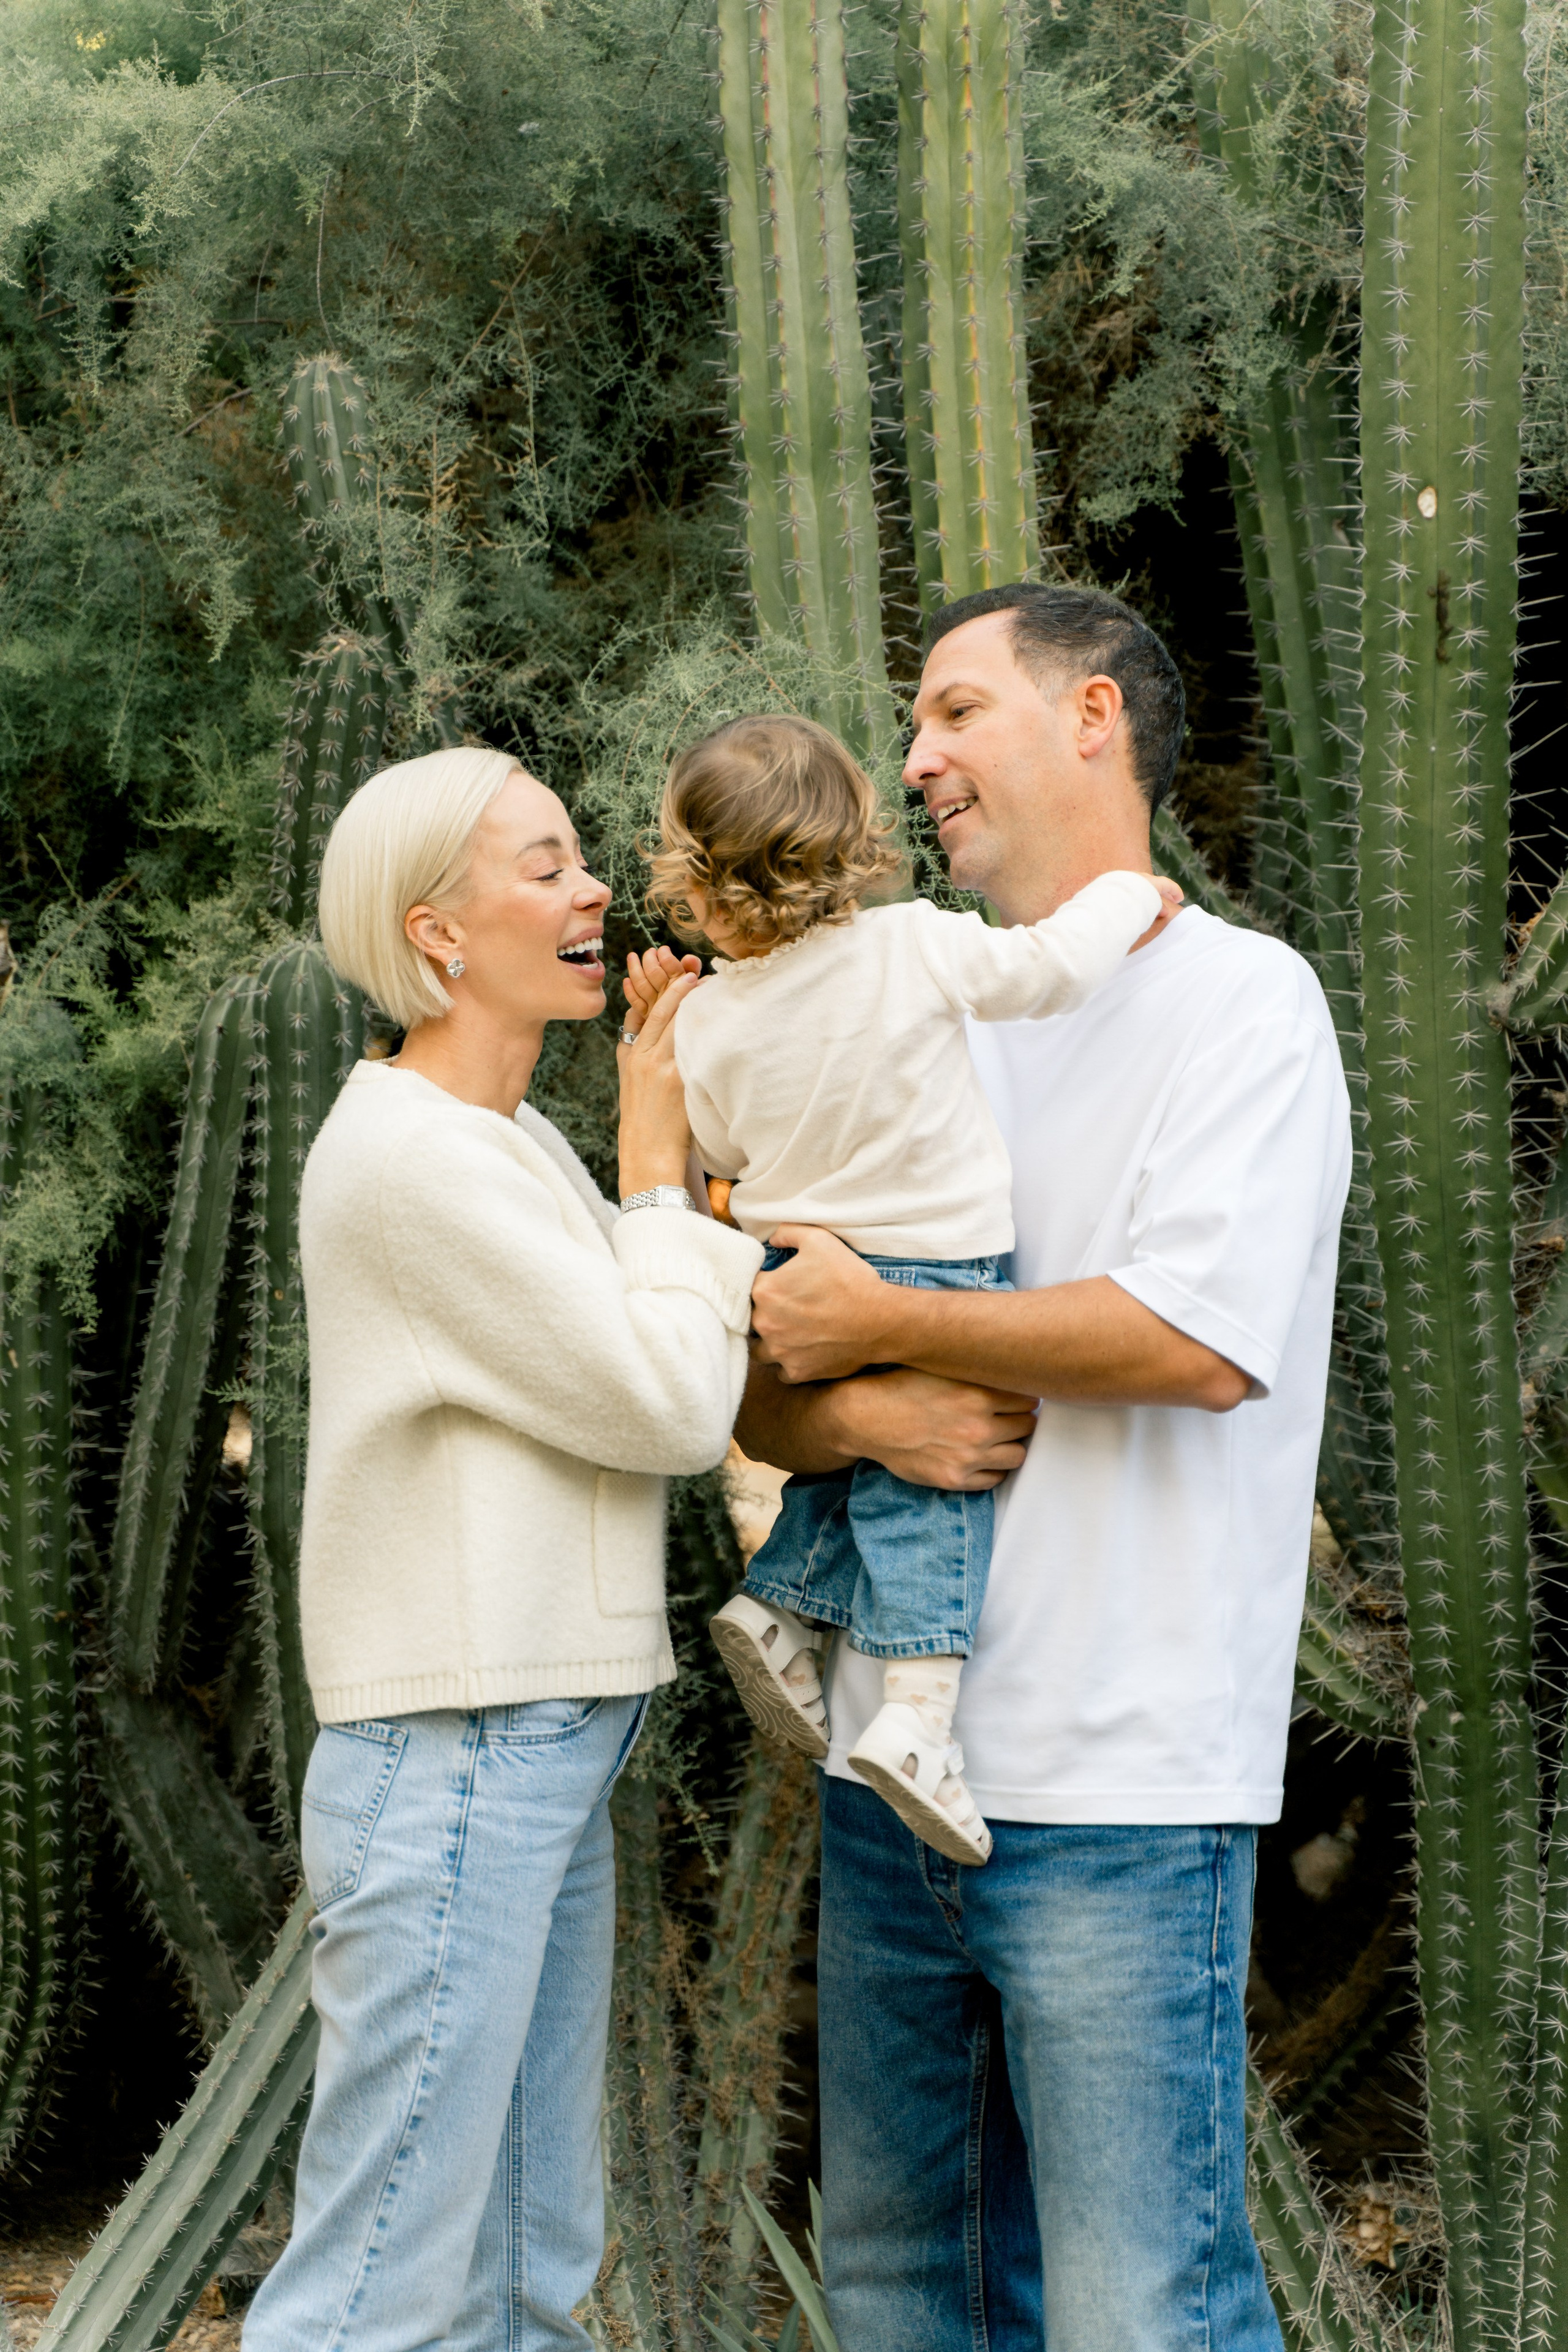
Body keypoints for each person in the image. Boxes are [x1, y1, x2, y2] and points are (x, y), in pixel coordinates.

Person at [738, 584, 1351, 2352]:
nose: (912, 758)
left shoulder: (1242, 1002)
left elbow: (1195, 1338)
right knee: (899, 2292)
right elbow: (770, 1377)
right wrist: (862, 1413)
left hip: (1120, 1788)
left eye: (954, 711)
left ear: (1094, 719)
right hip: (888, 1780)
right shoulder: (913, 1006)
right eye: (910, 724)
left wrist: (887, 1327)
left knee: (1138, 2311)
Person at [242, 745, 762, 2352]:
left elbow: (654, 1340)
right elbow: (671, 1399)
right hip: (460, 1747)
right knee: (380, 2288)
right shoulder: (413, 1160)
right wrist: (658, 1168)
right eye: (542, 867)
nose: (592, 885)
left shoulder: (506, 1137)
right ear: (439, 934)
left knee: (526, 2265)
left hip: (533, 1737)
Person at [625, 713, 1176, 1865]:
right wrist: (1130, 893)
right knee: (935, 1482)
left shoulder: (709, 1019)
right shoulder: (911, 944)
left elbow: (715, 1152)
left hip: (799, 1267)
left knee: (868, 1450)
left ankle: (779, 1602)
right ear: (848, 852)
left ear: (697, 886)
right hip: (934, 1259)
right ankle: (920, 1719)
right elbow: (1052, 970)